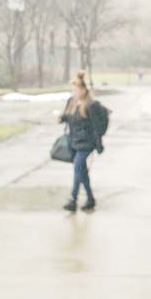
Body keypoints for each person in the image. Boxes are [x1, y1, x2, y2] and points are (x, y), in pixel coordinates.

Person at [60, 71, 105, 212]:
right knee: (81, 171)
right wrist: (62, 117)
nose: (75, 92)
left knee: (78, 167)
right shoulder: (72, 102)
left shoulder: (90, 105)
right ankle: (89, 199)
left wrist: (98, 144)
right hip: (75, 142)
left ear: (84, 90)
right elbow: (72, 119)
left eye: (77, 89)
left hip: (87, 143)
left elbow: (96, 127)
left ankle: (73, 199)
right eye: (73, 89)